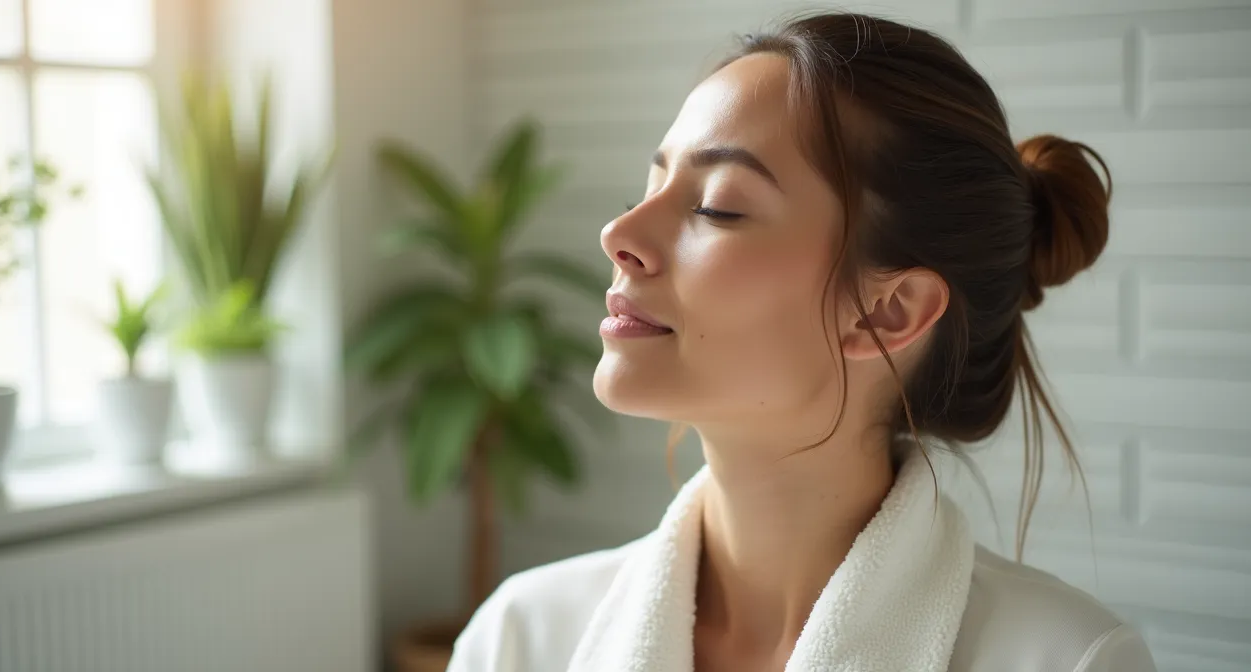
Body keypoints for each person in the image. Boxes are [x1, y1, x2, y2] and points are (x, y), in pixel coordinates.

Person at [446, 12, 1158, 672]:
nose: (619, 234)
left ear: (886, 312)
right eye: (650, 186)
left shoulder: (1068, 661)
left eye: (717, 205)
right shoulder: (521, 637)